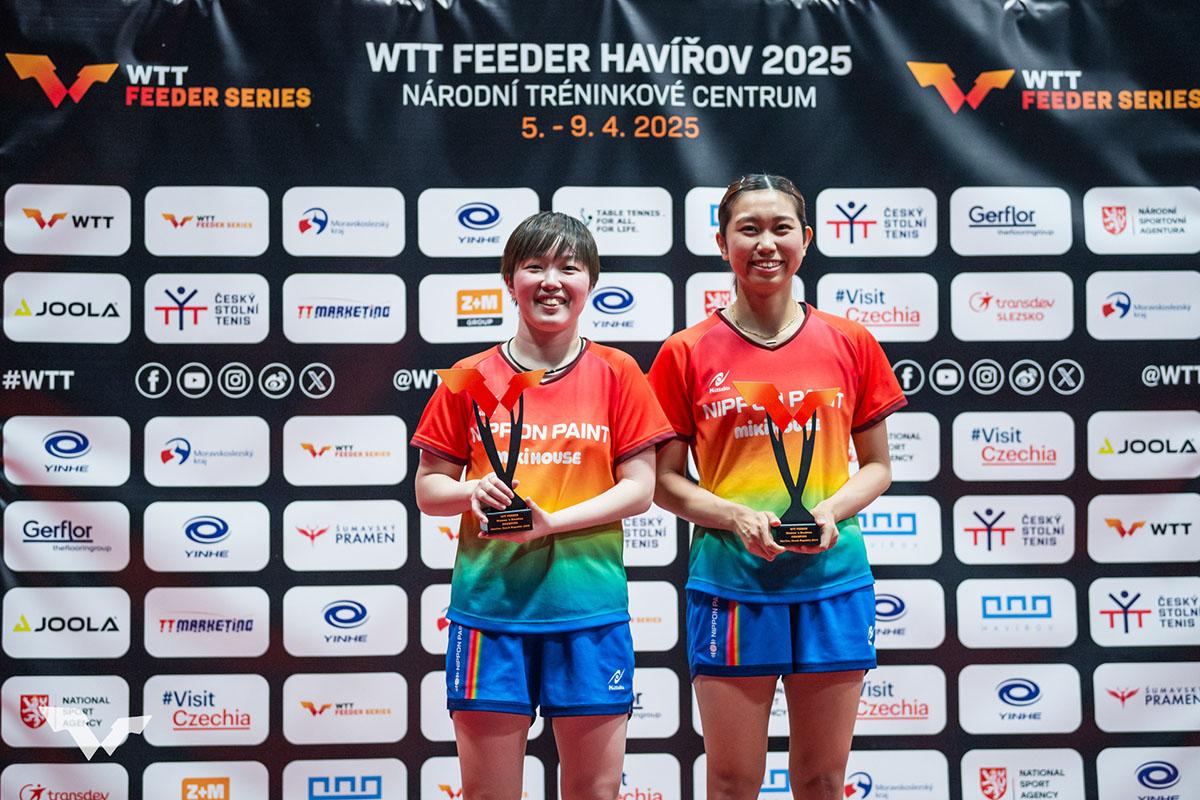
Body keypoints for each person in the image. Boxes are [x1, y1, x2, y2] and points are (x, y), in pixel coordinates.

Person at [647, 174, 905, 800]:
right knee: (733, 781)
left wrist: (831, 510)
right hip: (731, 584)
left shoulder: (850, 341)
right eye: (749, 229)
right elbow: (664, 483)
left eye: (781, 228)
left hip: (832, 581)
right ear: (722, 243)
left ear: (805, 240)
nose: (766, 243)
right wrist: (734, 516)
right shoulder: (685, 351)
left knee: (822, 779)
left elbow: (878, 466)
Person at [412, 211, 674, 800]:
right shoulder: (468, 377)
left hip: (588, 613)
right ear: (510, 280)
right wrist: (471, 491)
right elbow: (429, 490)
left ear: (590, 282)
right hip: (490, 614)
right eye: (535, 266)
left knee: (595, 792)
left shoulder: (618, 372)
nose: (551, 281)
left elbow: (640, 489)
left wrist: (551, 523)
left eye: (569, 268)